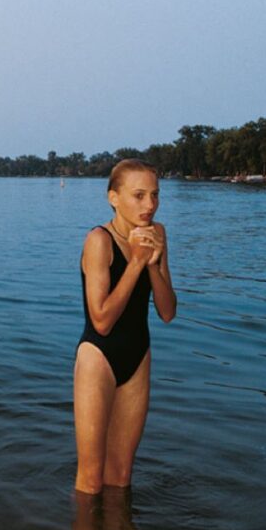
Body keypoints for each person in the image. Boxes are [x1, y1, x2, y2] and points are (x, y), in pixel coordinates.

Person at [73, 159, 177, 495]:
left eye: (155, 195)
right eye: (139, 195)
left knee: (120, 475)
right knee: (91, 477)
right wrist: (134, 262)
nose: (150, 205)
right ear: (113, 198)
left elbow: (167, 311)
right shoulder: (98, 241)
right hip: (97, 359)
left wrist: (152, 264)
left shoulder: (157, 234)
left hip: (138, 357)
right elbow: (101, 321)